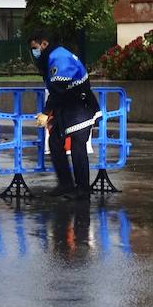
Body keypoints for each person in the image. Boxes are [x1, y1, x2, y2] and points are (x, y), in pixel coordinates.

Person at [29, 30, 98, 199]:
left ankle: (83, 190)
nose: (34, 52)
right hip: (67, 107)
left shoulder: (59, 57)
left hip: (79, 106)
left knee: (77, 146)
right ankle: (66, 183)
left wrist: (46, 113)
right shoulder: (53, 56)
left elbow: (59, 88)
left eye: (35, 48)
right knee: (54, 141)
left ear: (44, 44)